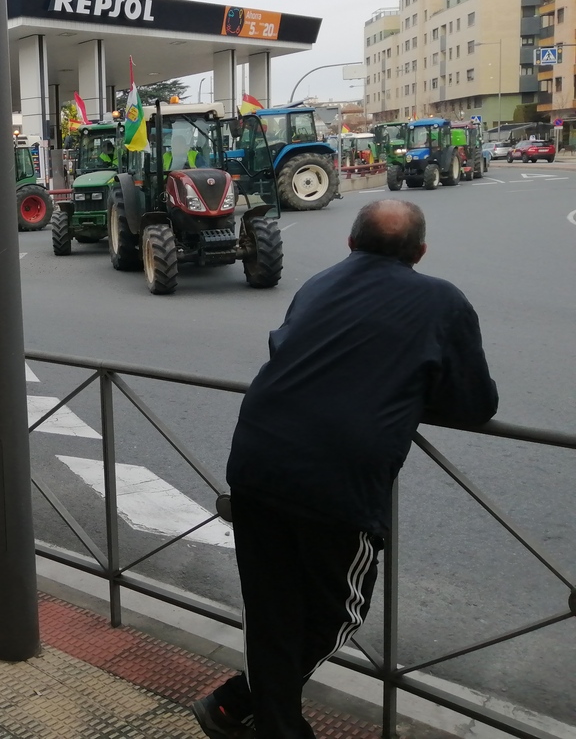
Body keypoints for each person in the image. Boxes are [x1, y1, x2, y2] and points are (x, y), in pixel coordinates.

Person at [193, 199, 497, 739]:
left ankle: (245, 713)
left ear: (351, 243)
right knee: (338, 614)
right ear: (420, 252)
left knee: (273, 611)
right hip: (335, 484)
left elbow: (287, 347)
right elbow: (475, 404)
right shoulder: (443, 302)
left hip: (257, 459)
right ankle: (241, 704)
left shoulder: (319, 284)